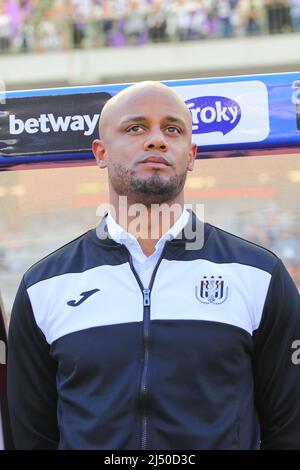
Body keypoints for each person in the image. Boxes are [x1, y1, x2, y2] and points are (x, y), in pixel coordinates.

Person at [7, 81, 300, 450]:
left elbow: (289, 429)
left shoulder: (261, 275)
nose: (157, 140)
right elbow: (31, 437)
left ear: (191, 155)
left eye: (172, 129)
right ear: (100, 152)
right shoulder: (43, 286)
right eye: (136, 128)